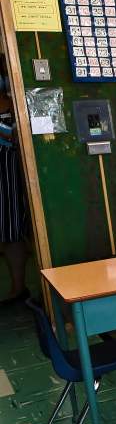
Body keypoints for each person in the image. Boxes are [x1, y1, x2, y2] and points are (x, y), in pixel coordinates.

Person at [0, 90, 30, 302]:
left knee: (11, 229)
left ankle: (18, 287)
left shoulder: (13, 100)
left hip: (7, 168)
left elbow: (17, 135)